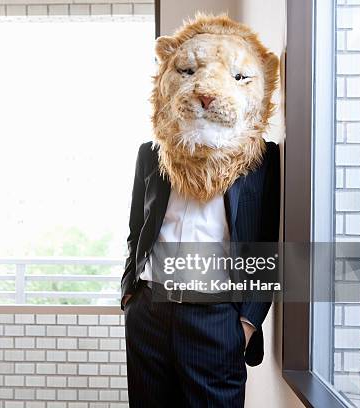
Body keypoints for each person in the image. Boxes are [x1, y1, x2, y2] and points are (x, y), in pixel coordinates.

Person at [121, 13, 280, 407]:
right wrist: (130, 294)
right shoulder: (150, 154)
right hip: (150, 310)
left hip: (215, 318)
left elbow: (265, 247)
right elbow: (136, 228)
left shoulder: (262, 161)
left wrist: (246, 322)